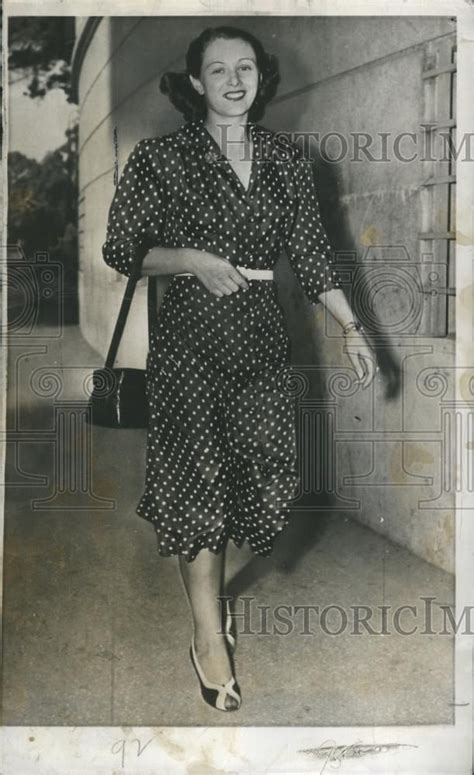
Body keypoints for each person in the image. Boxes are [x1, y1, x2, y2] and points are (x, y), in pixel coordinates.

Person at [102, 25, 376, 713]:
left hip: (260, 340)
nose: (232, 79)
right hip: (189, 341)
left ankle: (210, 596)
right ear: (194, 83)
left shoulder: (289, 161)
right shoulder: (160, 159)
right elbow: (121, 250)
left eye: (245, 66)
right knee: (199, 489)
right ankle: (206, 632)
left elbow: (312, 256)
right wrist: (190, 257)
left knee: (265, 480)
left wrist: (353, 326)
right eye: (216, 69)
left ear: (261, 76)